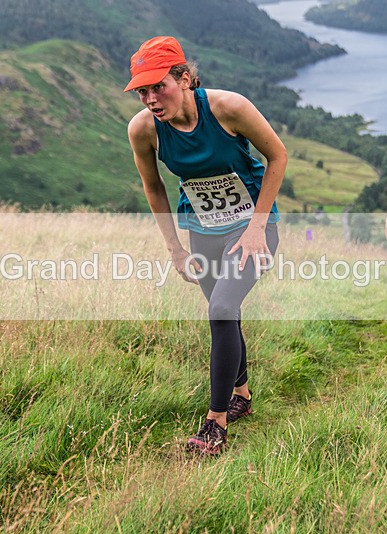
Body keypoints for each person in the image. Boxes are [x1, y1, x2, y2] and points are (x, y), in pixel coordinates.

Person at [126, 36, 285, 455]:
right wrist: (175, 249)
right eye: (142, 91)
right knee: (223, 314)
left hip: (252, 226)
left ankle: (215, 424)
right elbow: (153, 187)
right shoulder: (143, 129)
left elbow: (278, 156)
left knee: (221, 309)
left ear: (184, 78)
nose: (151, 99)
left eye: (159, 86)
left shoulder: (229, 108)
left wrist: (257, 226)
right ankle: (242, 395)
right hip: (203, 229)